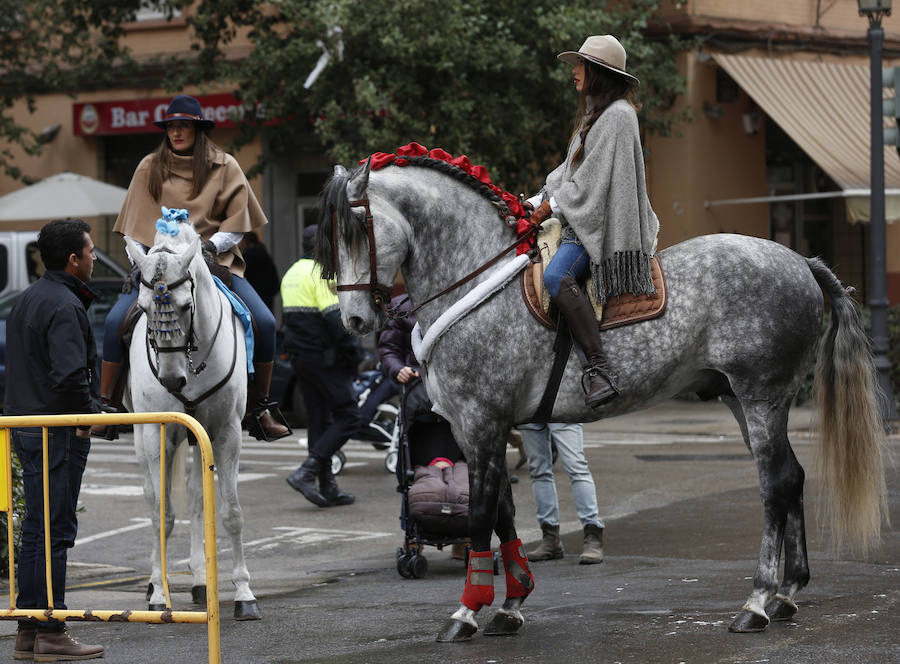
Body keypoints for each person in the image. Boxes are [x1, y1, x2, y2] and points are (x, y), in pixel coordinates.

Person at [95, 94, 290, 441]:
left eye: (183, 126)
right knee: (113, 324)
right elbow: (132, 229)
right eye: (171, 126)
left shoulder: (224, 165)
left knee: (264, 321)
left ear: (198, 129)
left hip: (214, 264)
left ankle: (259, 406)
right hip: (156, 268)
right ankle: (107, 406)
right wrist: (145, 261)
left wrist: (210, 248)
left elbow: (239, 223)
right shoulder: (148, 167)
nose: (176, 132)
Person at [525, 35, 659, 408]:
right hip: (579, 218)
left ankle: (599, 368)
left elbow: (591, 184)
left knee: (555, 277)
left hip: (598, 228)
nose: (574, 72)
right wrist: (535, 199)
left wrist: (550, 208)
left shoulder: (618, 116)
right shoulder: (595, 116)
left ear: (598, 72)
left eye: (581, 65)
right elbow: (569, 171)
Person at [4, 219, 105, 660]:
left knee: (37, 528)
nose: (95, 257)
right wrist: (88, 415)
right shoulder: (65, 305)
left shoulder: (25, 300)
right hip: (56, 427)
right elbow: (68, 376)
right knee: (54, 530)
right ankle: (52, 630)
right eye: (91, 251)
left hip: (29, 425)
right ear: (73, 259)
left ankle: (30, 630)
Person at [378, 293, 468, 560]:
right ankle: (413, 535)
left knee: (464, 467)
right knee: (411, 471)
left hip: (456, 399)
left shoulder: (459, 297)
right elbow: (388, 350)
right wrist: (397, 369)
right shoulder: (401, 306)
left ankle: (464, 533)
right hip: (417, 402)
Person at [282, 225, 361, 507]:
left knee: (319, 420)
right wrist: (355, 352)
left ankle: (327, 485)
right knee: (350, 416)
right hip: (326, 359)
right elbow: (335, 319)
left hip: (302, 360)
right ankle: (308, 471)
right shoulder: (321, 272)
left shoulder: (291, 273)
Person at [517, 423, 604, 564]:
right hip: (529, 410)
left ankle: (593, 534)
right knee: (538, 471)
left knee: (576, 467)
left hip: (560, 407)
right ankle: (550, 538)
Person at [239, 231, 280, 312]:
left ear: (246, 242)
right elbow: (275, 282)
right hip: (267, 301)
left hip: (251, 301)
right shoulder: (266, 256)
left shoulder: (245, 259)